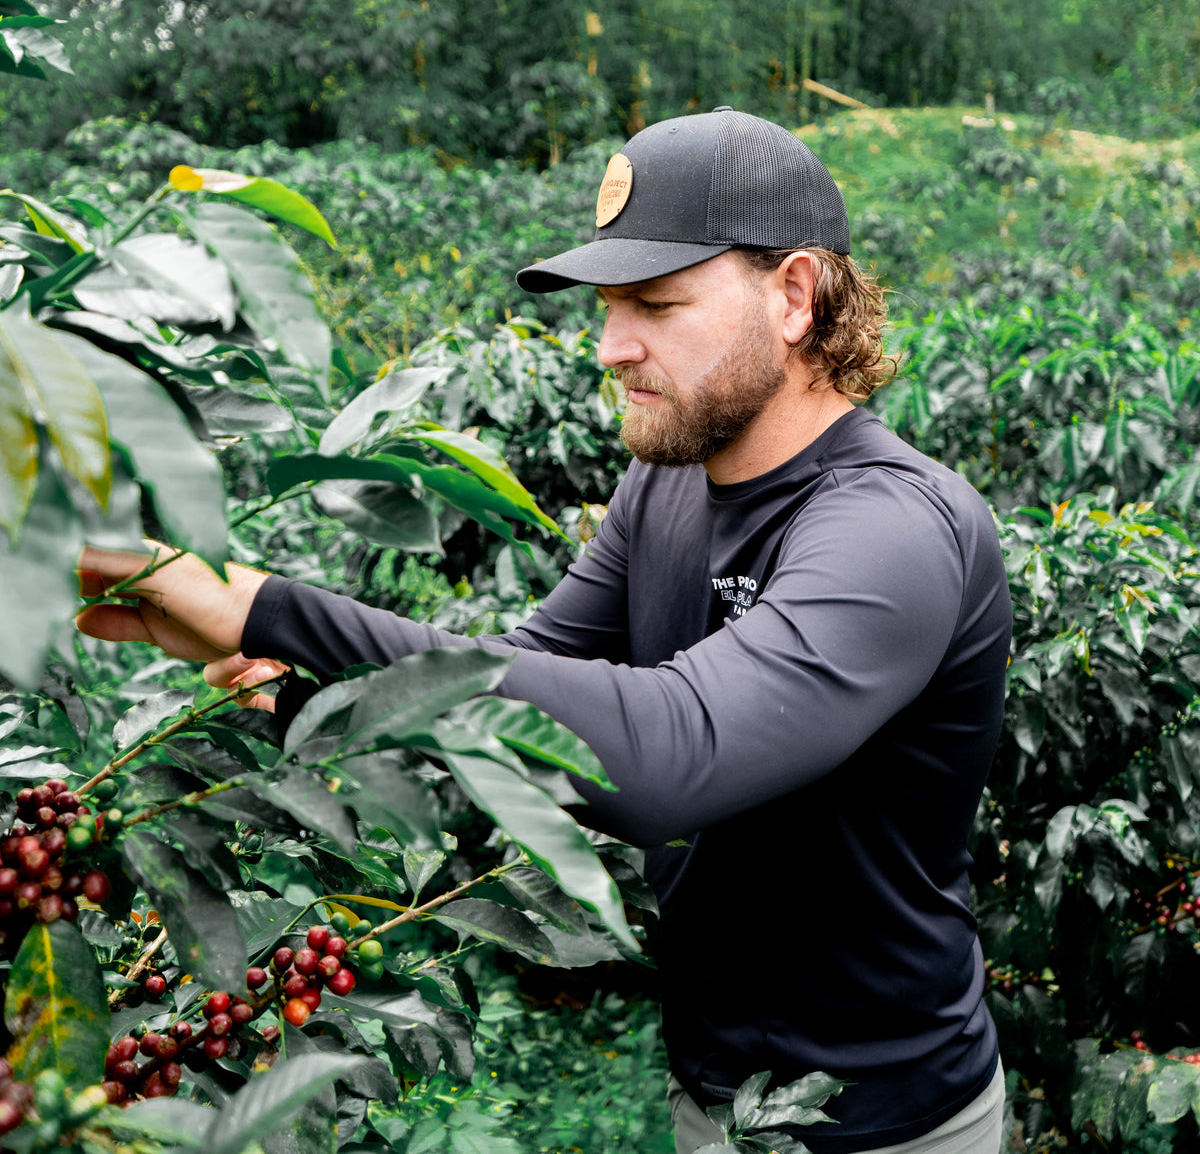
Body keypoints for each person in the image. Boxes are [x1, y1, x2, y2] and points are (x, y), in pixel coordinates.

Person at [79, 107, 1011, 1154]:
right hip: (711, 1093)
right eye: (609, 305)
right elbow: (521, 687)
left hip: (893, 1124)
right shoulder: (662, 486)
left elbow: (672, 753)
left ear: (794, 296)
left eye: (656, 303)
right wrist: (296, 683)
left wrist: (273, 607)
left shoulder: (895, 529)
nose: (612, 347)